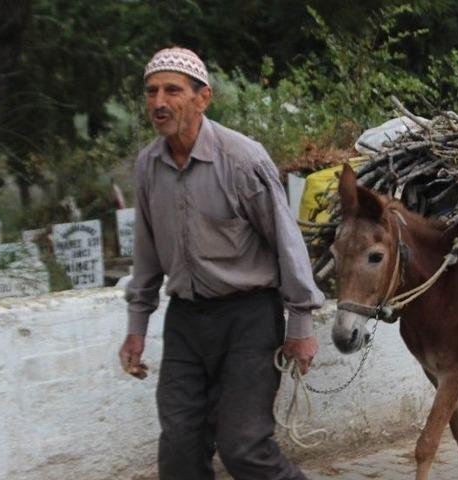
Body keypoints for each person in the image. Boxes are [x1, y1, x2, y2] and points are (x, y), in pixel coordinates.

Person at [118, 47, 324, 480]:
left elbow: (287, 244)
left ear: (202, 98)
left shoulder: (242, 160)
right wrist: (136, 326)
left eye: (172, 90)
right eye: (151, 91)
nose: (159, 102)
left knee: (244, 447)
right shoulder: (147, 166)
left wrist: (301, 326)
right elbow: (146, 253)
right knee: (179, 452)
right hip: (186, 322)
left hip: (248, 318)